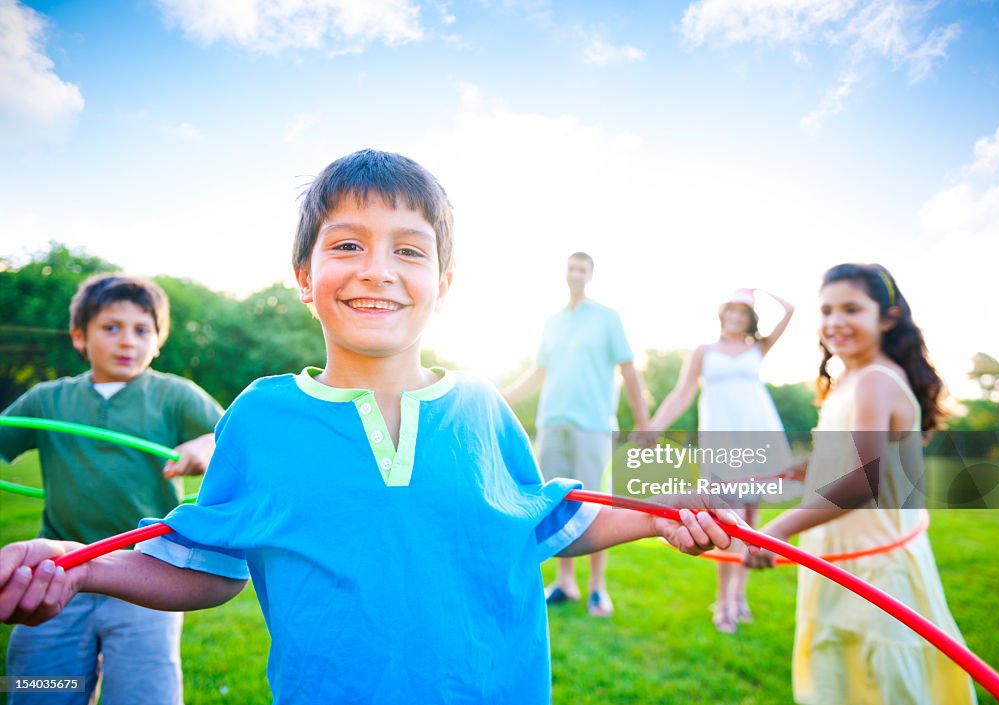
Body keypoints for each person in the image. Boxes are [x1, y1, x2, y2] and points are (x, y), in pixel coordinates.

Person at [0, 150, 741, 705]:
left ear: (442, 287)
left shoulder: (480, 404)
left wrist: (658, 513)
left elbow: (545, 516)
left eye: (409, 250)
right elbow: (206, 564)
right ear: (304, 275)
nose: (377, 269)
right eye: (347, 244)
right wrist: (79, 563)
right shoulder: (261, 417)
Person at [744, 264, 977, 705]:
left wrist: (776, 530)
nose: (835, 321)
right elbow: (836, 457)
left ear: (886, 317)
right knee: (842, 679)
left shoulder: (874, 380)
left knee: (885, 682)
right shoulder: (850, 379)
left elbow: (861, 481)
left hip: (876, 569)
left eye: (852, 308)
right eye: (827, 310)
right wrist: (770, 476)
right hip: (838, 557)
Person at [0, 274, 223, 705]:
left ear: (158, 342)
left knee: (144, 694)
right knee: (40, 688)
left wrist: (204, 445)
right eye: (111, 327)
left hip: (148, 575)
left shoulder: (173, 395)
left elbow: (232, 441)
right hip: (58, 568)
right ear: (79, 336)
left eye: (142, 330)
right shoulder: (47, 400)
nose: (127, 342)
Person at [502, 252, 650, 617]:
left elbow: (629, 370)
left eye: (582, 268)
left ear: (590, 275)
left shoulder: (606, 318)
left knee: (596, 505)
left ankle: (597, 589)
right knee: (555, 504)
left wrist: (644, 423)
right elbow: (537, 374)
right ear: (565, 273)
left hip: (593, 425)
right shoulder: (552, 322)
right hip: (552, 423)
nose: (575, 273)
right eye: (571, 267)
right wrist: (498, 397)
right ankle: (565, 582)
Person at [643, 287, 794, 633]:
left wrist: (764, 290)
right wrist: (654, 426)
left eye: (744, 313)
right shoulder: (703, 351)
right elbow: (682, 394)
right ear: (722, 314)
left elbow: (790, 310)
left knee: (751, 523)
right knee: (729, 520)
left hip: (759, 432)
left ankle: (740, 597)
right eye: (732, 311)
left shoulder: (758, 347)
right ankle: (722, 602)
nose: (736, 318)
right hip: (723, 438)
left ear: (750, 319)